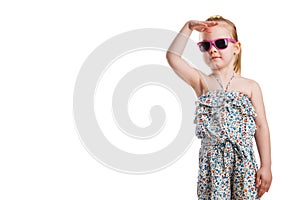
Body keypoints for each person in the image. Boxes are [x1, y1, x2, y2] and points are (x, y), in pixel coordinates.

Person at [166, 15, 272, 199]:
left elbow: (261, 126)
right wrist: (188, 28)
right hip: (213, 163)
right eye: (206, 46)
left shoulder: (250, 86)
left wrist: (266, 165)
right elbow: (172, 57)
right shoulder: (202, 81)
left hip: (243, 159)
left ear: (236, 48)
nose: (213, 49)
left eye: (221, 43)